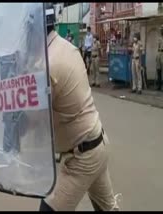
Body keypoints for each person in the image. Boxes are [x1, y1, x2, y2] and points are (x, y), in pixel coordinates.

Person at [39, 3, 119, 211]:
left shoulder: (48, 64)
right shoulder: (65, 47)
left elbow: (34, 118)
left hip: (81, 157)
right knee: (107, 208)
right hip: (96, 142)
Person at [156, 25, 163, 91]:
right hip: (159, 53)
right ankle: (159, 86)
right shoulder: (159, 38)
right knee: (158, 70)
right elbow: (158, 47)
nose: (161, 30)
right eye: (161, 29)